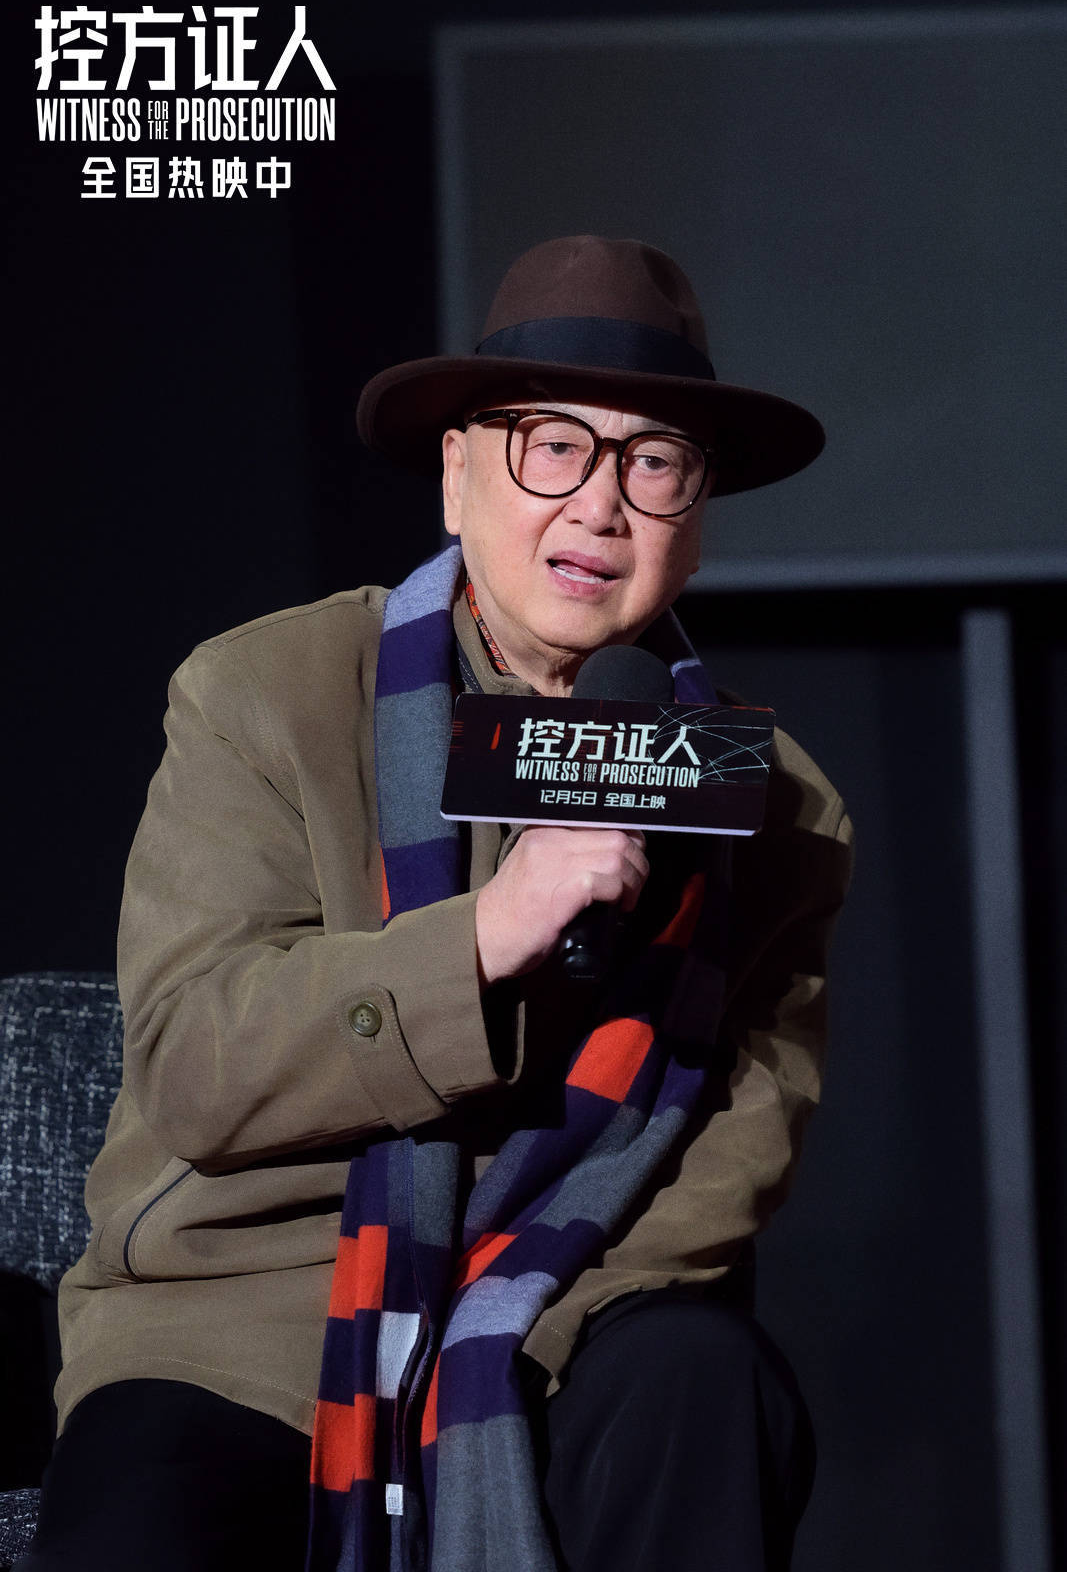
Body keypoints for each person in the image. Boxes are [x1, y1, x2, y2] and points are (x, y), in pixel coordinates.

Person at [21, 235, 853, 1572]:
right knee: (146, 1503)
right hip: (246, 1316)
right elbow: (195, 1066)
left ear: (694, 523)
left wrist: (491, 1334)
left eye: (654, 463)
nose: (601, 506)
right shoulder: (266, 695)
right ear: (460, 473)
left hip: (564, 1312)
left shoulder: (777, 802)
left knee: (705, 1379)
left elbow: (732, 1160)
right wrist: (481, 939)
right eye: (553, 447)